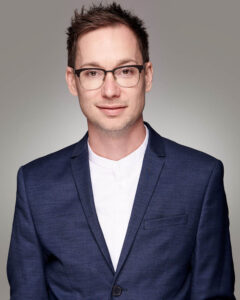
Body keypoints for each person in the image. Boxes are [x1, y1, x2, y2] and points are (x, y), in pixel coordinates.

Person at [7, 2, 235, 299]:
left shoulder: (201, 177)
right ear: (72, 80)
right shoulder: (34, 183)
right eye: (92, 73)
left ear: (147, 75)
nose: (110, 90)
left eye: (125, 70)